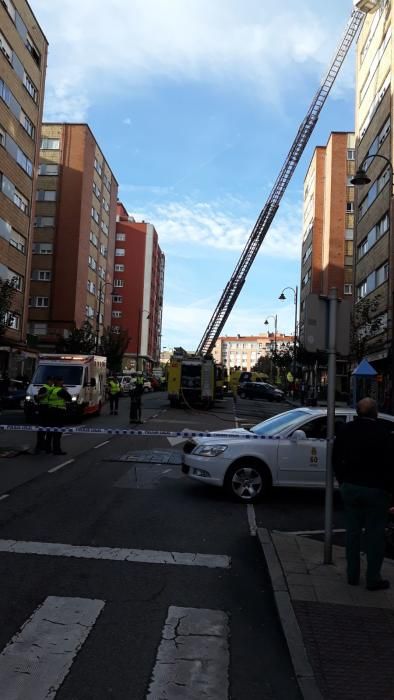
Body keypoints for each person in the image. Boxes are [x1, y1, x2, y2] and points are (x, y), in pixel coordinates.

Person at [332, 397, 393, 591]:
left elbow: (336, 458)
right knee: (375, 536)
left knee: (352, 533)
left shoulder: (345, 431)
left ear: (357, 412)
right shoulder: (384, 434)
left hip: (351, 488)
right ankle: (373, 578)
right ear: (375, 413)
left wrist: (342, 481)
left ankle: (352, 575)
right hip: (376, 491)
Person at [47, 376, 71, 455]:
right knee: (58, 432)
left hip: (50, 411)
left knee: (50, 431)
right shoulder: (61, 391)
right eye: (62, 382)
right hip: (58, 412)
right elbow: (69, 398)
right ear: (59, 382)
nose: (63, 383)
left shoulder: (51, 390)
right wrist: (64, 389)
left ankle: (48, 449)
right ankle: (57, 450)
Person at [34, 376, 54, 454]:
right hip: (43, 409)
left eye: (52, 381)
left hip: (49, 410)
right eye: (51, 381)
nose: (52, 383)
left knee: (48, 429)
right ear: (48, 381)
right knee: (42, 429)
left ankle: (46, 447)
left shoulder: (51, 388)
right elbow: (38, 397)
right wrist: (46, 394)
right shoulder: (44, 388)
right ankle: (40, 446)